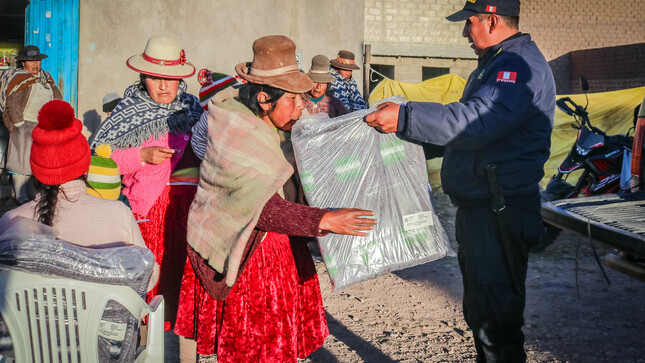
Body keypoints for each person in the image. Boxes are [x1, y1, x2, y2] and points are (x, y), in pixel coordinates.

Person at [365, 0, 556, 361]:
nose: (464, 32)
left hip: (499, 211)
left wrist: (407, 116)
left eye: (468, 23)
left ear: (492, 19)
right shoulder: (497, 62)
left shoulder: (516, 65)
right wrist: (407, 139)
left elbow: (477, 120)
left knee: (496, 321)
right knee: (484, 314)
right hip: (484, 207)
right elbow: (474, 138)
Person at [174, 35, 377, 363]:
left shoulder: (277, 128)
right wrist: (322, 219)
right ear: (265, 99)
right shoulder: (235, 132)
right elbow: (259, 206)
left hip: (280, 252)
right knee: (258, 350)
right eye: (294, 100)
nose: (302, 107)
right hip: (247, 261)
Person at [90, 35, 203, 331]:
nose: (164, 86)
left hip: (190, 215)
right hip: (147, 218)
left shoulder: (193, 110)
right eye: (155, 78)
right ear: (143, 77)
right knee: (147, 290)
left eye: (171, 79)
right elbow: (98, 159)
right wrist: (141, 154)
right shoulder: (126, 112)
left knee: (184, 288)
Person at [0, 99, 158, 289]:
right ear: (85, 167)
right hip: (101, 319)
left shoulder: (11, 221)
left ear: (36, 169)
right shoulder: (118, 214)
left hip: (32, 319)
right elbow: (147, 279)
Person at [0, 45, 62, 204]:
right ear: (23, 63)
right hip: (24, 124)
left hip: (42, 125)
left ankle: (31, 191)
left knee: (34, 159)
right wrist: (20, 124)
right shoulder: (19, 78)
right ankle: (20, 194)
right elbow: (13, 103)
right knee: (20, 159)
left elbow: (57, 96)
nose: (35, 64)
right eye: (31, 61)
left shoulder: (45, 77)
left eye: (37, 61)